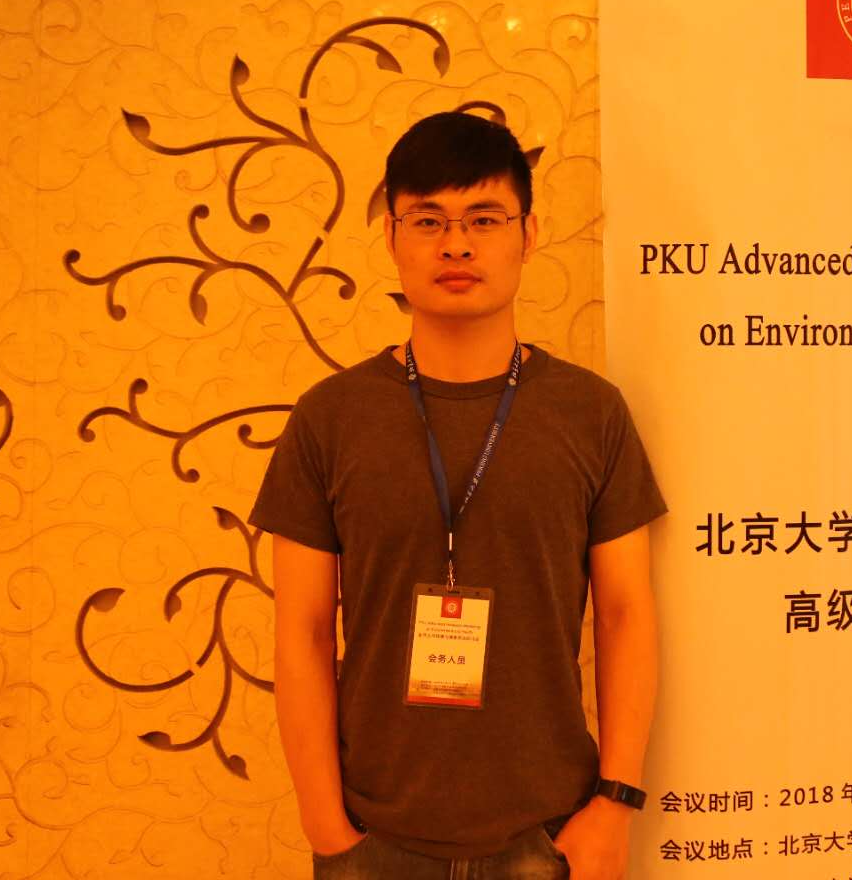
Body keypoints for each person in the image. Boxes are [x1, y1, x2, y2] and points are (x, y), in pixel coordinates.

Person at [250, 111, 665, 880]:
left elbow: (625, 613)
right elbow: (301, 629)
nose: (457, 244)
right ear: (391, 236)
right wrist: (325, 824)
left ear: (528, 233)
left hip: (551, 834)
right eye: (428, 220)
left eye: (483, 218)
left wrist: (615, 803)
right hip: (372, 837)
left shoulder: (591, 413)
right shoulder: (330, 418)